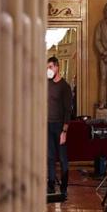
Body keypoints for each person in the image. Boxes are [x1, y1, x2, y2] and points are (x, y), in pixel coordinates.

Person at [47, 56, 72, 200]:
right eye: (47, 67)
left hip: (59, 126)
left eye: (50, 67)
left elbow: (68, 111)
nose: (48, 70)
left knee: (62, 158)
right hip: (48, 125)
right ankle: (51, 185)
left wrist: (64, 131)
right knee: (50, 157)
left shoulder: (65, 87)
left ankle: (64, 187)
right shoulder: (47, 84)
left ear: (57, 67)